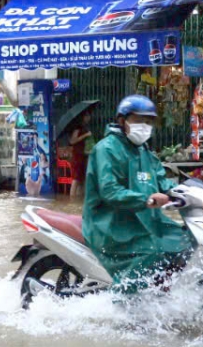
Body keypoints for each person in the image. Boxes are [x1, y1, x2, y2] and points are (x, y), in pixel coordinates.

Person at [82, 95, 195, 294]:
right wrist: (147, 199)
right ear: (122, 121)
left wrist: (185, 192)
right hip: (111, 224)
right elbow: (110, 192)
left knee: (187, 239)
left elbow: (162, 180)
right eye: (138, 120)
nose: (144, 126)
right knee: (153, 250)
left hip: (144, 220)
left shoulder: (145, 152)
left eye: (148, 121)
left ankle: (160, 290)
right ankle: (124, 301)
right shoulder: (106, 150)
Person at [67, 109, 94, 198]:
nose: (88, 117)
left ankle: (78, 202)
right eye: (86, 115)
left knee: (81, 180)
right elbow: (72, 141)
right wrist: (85, 135)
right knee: (76, 179)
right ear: (82, 117)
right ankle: (72, 201)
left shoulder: (85, 127)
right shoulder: (77, 128)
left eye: (89, 115)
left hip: (83, 155)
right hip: (77, 156)